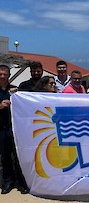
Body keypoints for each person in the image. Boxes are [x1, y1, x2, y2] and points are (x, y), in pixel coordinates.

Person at [0, 65, 29, 194]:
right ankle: (8, 182)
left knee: (18, 156)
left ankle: (21, 183)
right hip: (1, 128)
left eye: (4, 74)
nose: (2, 76)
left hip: (15, 129)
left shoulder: (14, 89)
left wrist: (18, 96)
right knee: (5, 156)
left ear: (9, 75)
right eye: (0, 74)